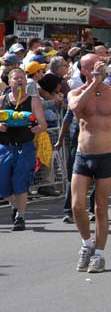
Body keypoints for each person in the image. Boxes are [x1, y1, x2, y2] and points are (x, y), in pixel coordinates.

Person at [68, 54, 111, 273]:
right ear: (84, 70)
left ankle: (100, 253)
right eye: (92, 66)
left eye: (100, 65)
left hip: (106, 155)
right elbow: (75, 107)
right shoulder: (75, 92)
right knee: (77, 206)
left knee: (100, 207)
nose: (98, 68)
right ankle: (86, 244)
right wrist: (93, 82)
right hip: (83, 155)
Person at [0, 69, 47, 230]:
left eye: (22, 78)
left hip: (24, 147)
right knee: (2, 184)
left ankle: (20, 216)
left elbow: (43, 125)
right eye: (16, 78)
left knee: (20, 182)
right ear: (9, 81)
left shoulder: (33, 100)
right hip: (4, 148)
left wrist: (36, 129)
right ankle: (15, 205)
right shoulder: (2, 100)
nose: (20, 80)